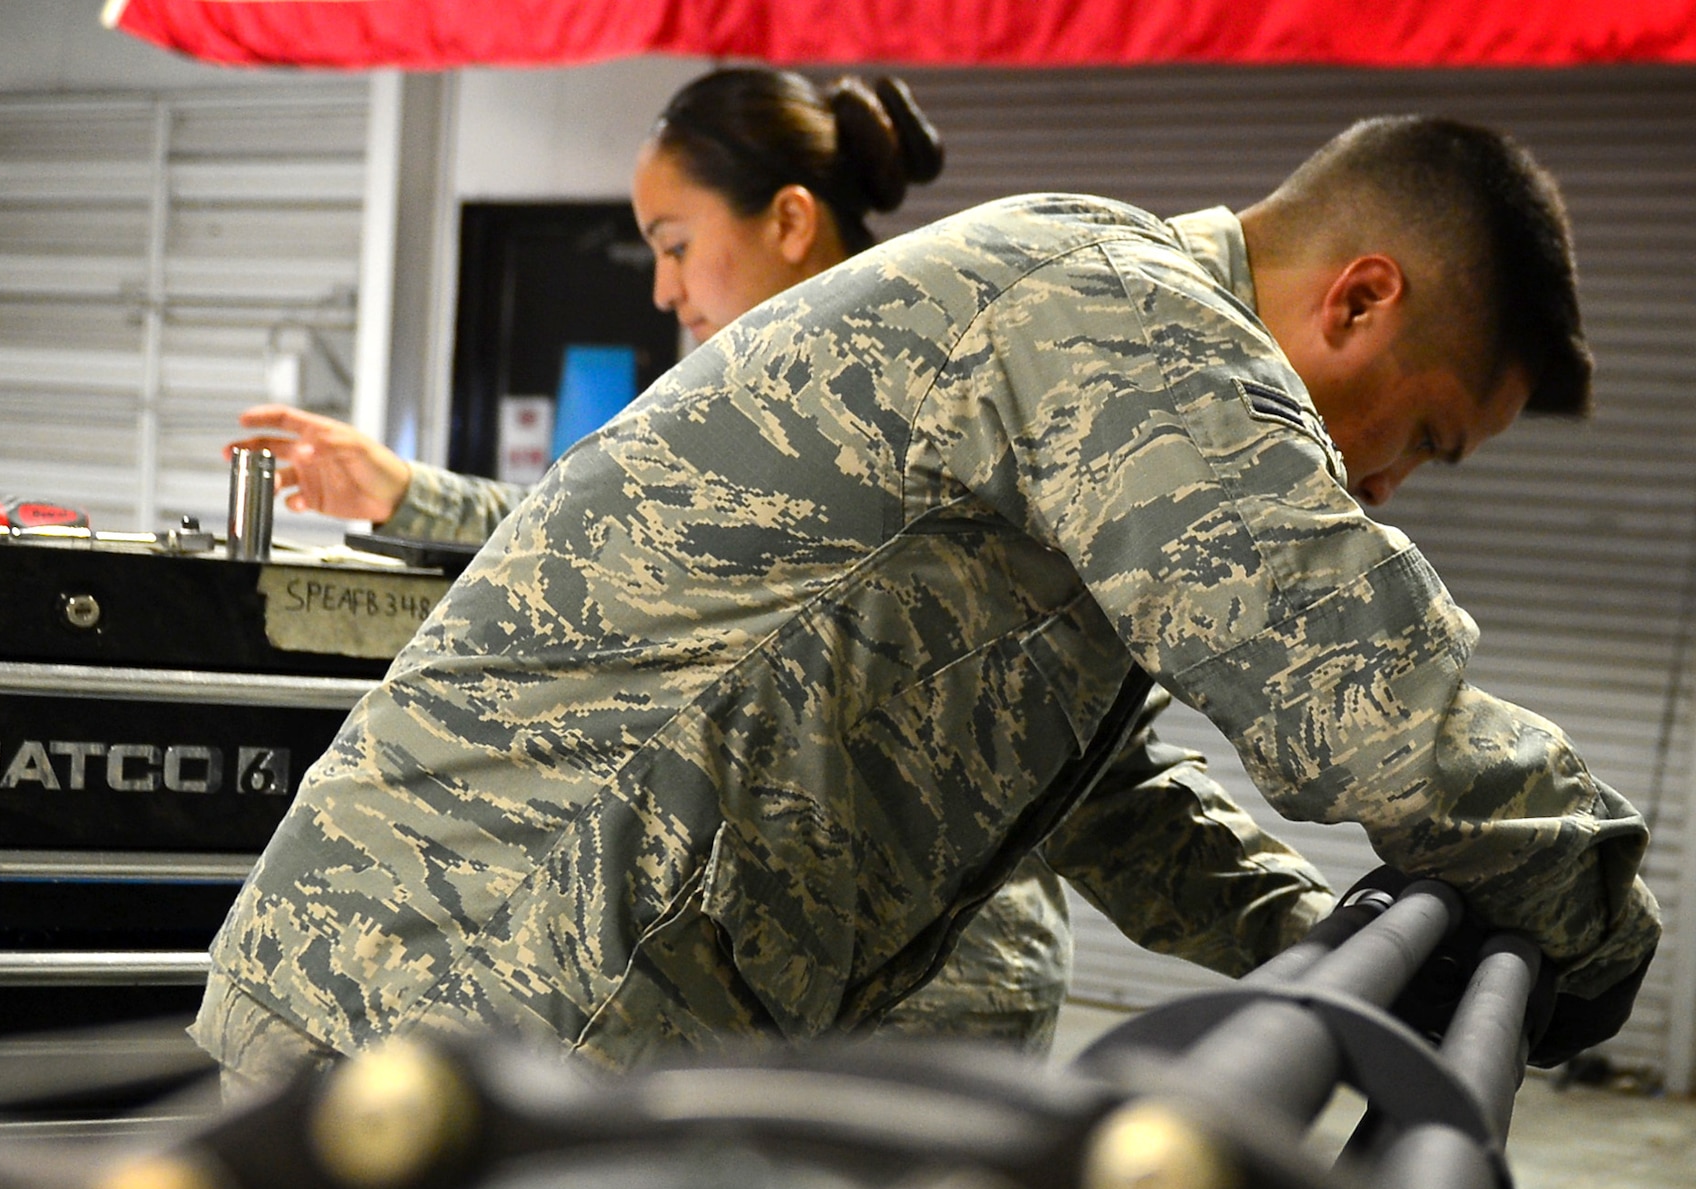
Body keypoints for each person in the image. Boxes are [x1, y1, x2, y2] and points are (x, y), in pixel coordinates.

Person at [198, 112, 1659, 1090]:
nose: (1393, 485)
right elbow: (1356, 685)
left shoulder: (1105, 352)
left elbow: (1100, 793)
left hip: (513, 991)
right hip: (444, 982)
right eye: (1428, 433)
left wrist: (1311, 936)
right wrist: (1591, 925)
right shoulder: (1128, 318)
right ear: (1359, 301)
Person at [232, 67, 1296, 1060]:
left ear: (788, 221)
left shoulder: (884, 407)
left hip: (906, 984)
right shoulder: (835, 399)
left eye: (675, 240)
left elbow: (1109, 772)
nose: (659, 287)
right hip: (850, 964)